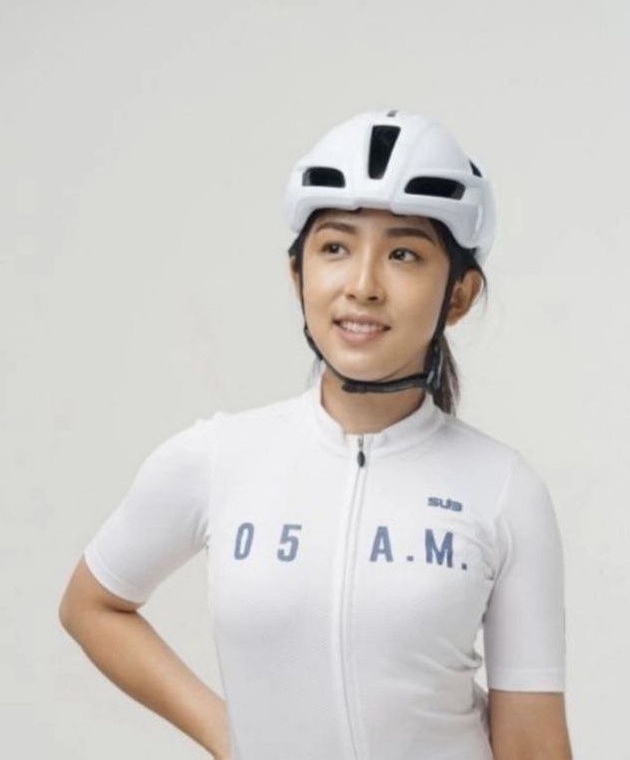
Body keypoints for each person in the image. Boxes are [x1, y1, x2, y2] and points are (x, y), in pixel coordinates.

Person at [59, 110, 573, 760]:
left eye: (404, 254)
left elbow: (532, 744)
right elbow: (91, 605)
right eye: (335, 248)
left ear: (459, 296)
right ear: (297, 274)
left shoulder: (503, 490)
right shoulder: (216, 459)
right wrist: (229, 736)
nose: (362, 286)